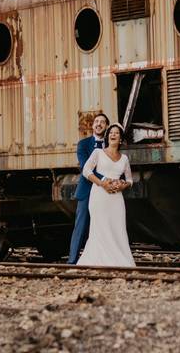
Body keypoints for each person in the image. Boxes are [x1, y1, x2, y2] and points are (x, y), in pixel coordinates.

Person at [76, 123, 135, 267]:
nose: (113, 135)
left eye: (116, 133)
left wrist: (122, 185)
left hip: (116, 198)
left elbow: (130, 180)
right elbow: (86, 170)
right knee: (100, 227)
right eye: (111, 133)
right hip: (99, 196)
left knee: (117, 227)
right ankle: (99, 259)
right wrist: (102, 184)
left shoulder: (124, 158)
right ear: (108, 137)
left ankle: (119, 260)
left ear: (120, 139)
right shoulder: (98, 153)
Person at [67, 113, 109, 264]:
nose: (99, 124)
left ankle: (103, 259)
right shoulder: (83, 144)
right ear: (92, 126)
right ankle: (72, 261)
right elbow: (86, 167)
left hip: (105, 192)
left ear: (106, 126)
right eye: (96, 121)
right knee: (81, 225)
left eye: (102, 122)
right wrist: (104, 179)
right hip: (88, 190)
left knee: (105, 225)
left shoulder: (111, 145)